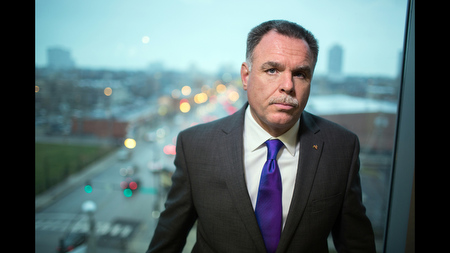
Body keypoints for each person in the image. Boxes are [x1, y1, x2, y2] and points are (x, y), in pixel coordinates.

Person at [146, 20, 376, 253]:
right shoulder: (194, 145)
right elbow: (167, 243)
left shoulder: (341, 148)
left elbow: (357, 245)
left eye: (300, 74)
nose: (287, 85)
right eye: (272, 70)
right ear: (246, 77)